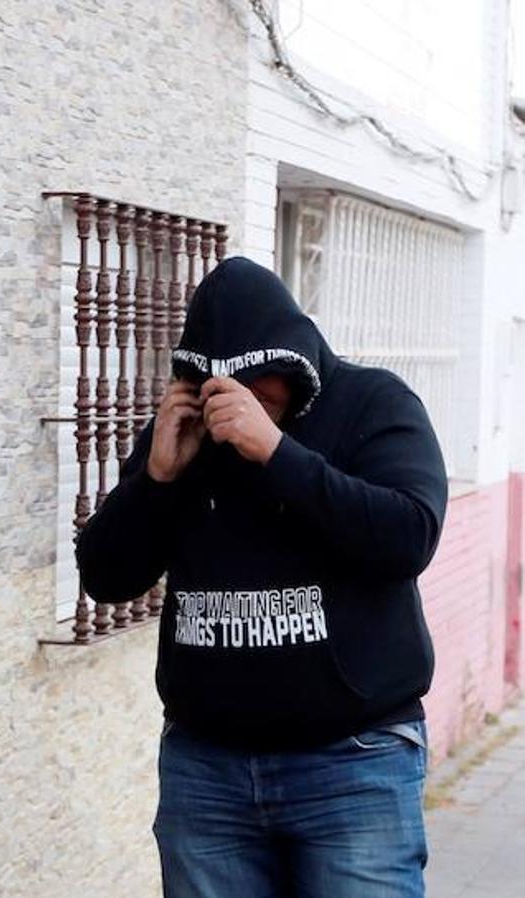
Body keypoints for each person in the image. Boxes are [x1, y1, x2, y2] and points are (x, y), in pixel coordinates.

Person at [75, 255, 448, 898]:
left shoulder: (373, 402)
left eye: (260, 378)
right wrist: (157, 480)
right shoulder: (186, 430)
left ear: (295, 358)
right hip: (208, 770)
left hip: (353, 764)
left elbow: (408, 535)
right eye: (223, 381)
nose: (242, 398)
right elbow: (107, 576)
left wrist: (277, 455)